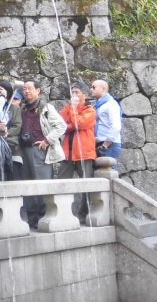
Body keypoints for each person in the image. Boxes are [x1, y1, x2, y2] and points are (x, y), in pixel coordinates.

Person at [19, 79, 66, 229]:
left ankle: (43, 218)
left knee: (42, 185)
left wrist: (47, 140)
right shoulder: (23, 108)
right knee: (27, 185)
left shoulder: (46, 108)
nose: (26, 91)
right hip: (24, 150)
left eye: (29, 89)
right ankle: (31, 219)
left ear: (38, 91)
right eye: (24, 89)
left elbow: (61, 125)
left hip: (40, 150)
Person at [58, 81, 97, 221]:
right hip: (67, 153)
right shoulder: (68, 108)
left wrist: (73, 113)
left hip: (84, 153)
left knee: (86, 185)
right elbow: (61, 123)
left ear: (84, 95)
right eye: (72, 92)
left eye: (77, 93)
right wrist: (73, 120)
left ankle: (83, 214)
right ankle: (62, 213)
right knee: (61, 183)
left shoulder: (90, 111)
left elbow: (79, 123)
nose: (73, 95)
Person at [0, 80, 24, 180]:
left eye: (1, 89)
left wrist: (5, 133)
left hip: (11, 146)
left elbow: (17, 126)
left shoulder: (14, 108)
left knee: (13, 177)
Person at [91, 79, 122, 160]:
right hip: (99, 144)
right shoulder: (98, 105)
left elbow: (116, 126)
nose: (91, 89)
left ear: (103, 89)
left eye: (94, 87)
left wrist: (105, 145)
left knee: (108, 171)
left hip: (108, 145)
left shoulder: (111, 104)